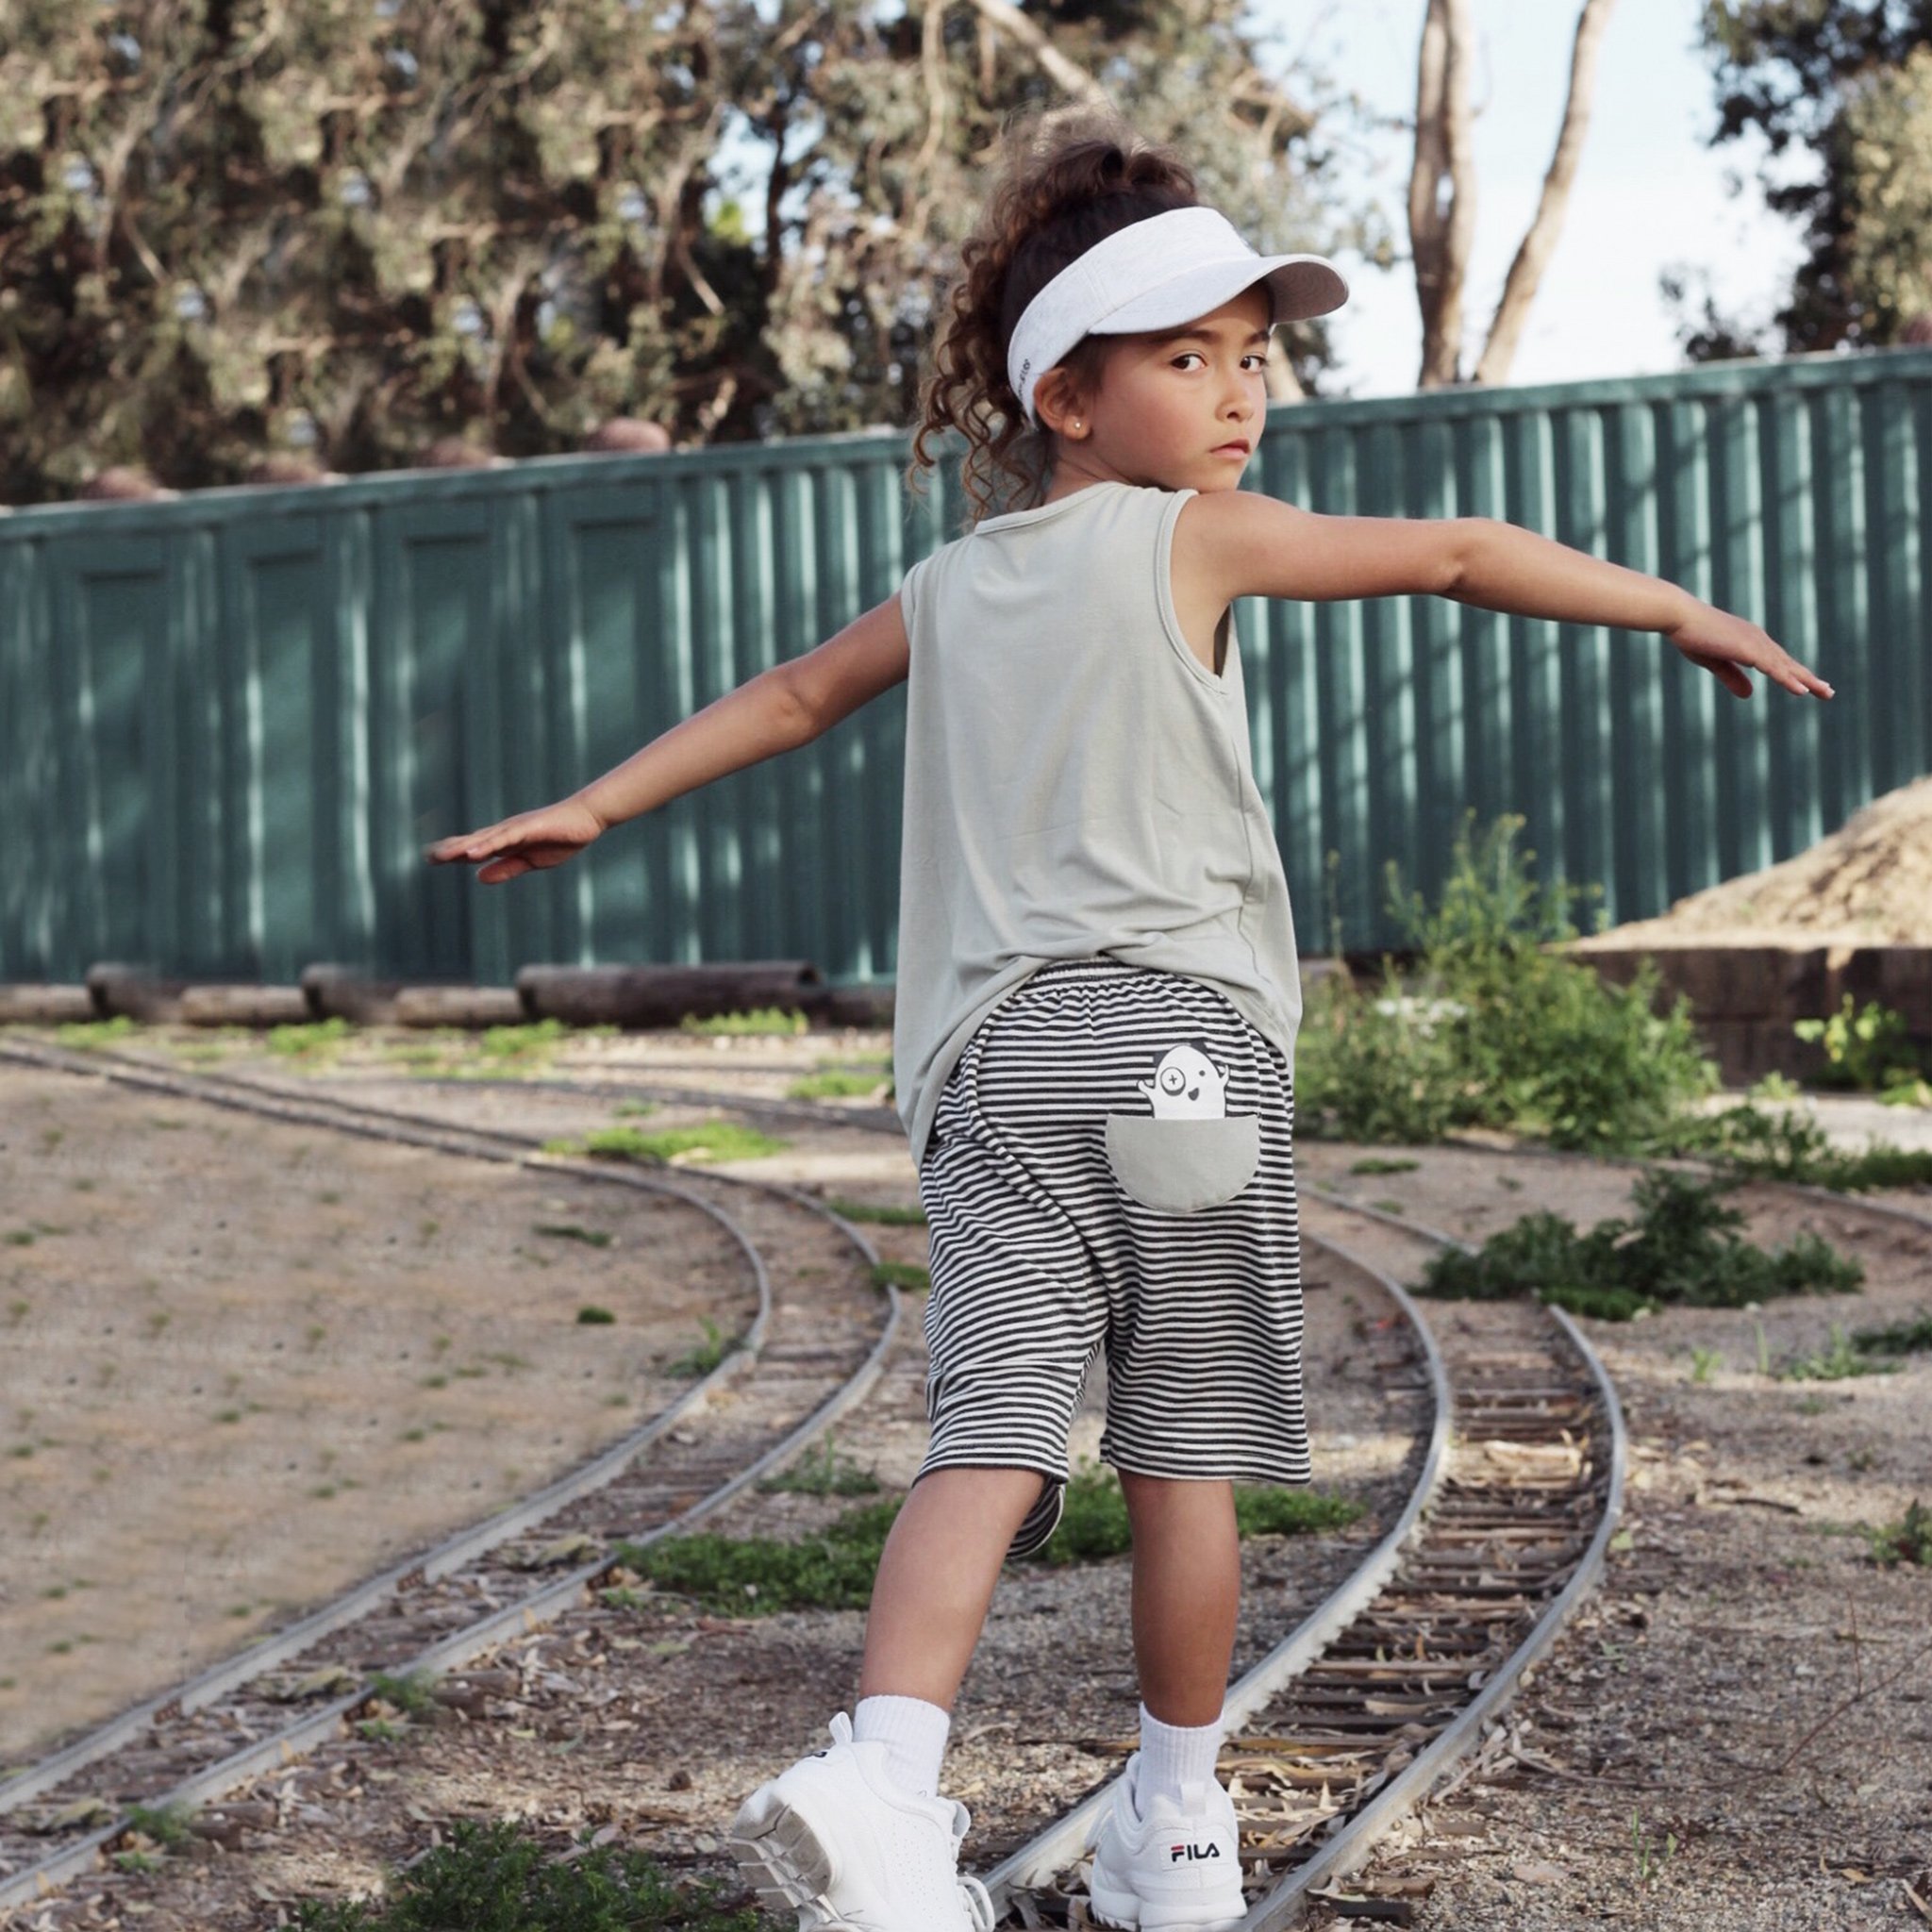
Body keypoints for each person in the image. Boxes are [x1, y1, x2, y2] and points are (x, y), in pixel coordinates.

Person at [425, 106, 1834, 1932]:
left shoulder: (949, 582)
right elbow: (1467, 552)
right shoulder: (1195, 541)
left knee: (990, 1433)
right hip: (1179, 1053)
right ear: (1067, 397)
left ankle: (882, 1777)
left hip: (996, 1062)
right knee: (1182, 1451)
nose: (1243, 395)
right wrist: (1674, 609)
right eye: (1189, 359)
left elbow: (784, 698)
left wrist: (594, 806)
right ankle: (1173, 1819)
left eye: (1254, 358)